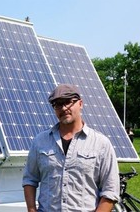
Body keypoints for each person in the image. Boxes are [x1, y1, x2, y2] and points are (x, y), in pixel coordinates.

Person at [22, 84, 120, 212]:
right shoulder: (40, 141)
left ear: (80, 103)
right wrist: (31, 209)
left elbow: (111, 190)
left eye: (68, 102)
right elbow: (30, 179)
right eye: (57, 104)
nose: (63, 108)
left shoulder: (101, 143)